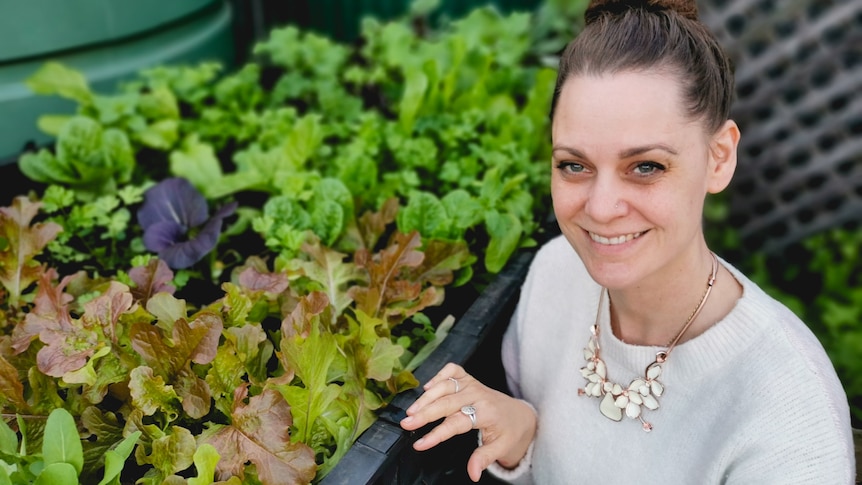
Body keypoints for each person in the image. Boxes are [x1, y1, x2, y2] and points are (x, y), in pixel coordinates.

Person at [399, 0, 857, 483]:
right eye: (574, 165)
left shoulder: (789, 420)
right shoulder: (555, 274)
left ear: (719, 158)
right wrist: (523, 436)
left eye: (646, 167)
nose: (600, 208)